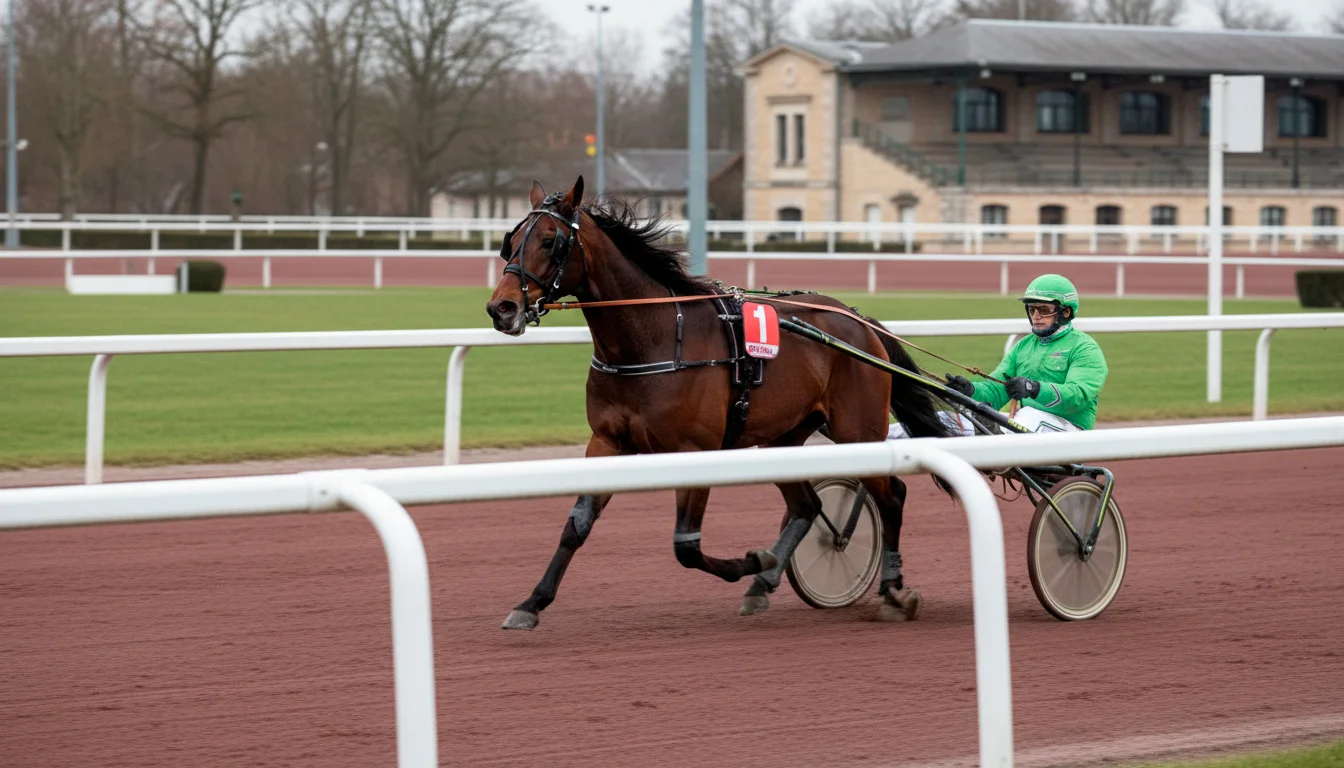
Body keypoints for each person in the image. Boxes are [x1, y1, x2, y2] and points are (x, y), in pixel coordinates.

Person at [888, 274, 1108, 438]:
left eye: (1044, 309)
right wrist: (970, 390)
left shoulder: (1084, 348)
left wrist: (1034, 388)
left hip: (1070, 429)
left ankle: (996, 445)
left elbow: (1080, 394)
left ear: (1066, 312)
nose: (1036, 316)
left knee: (1026, 415)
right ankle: (878, 441)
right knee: (941, 420)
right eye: (1032, 310)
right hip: (1021, 426)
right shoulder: (1023, 346)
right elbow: (996, 391)